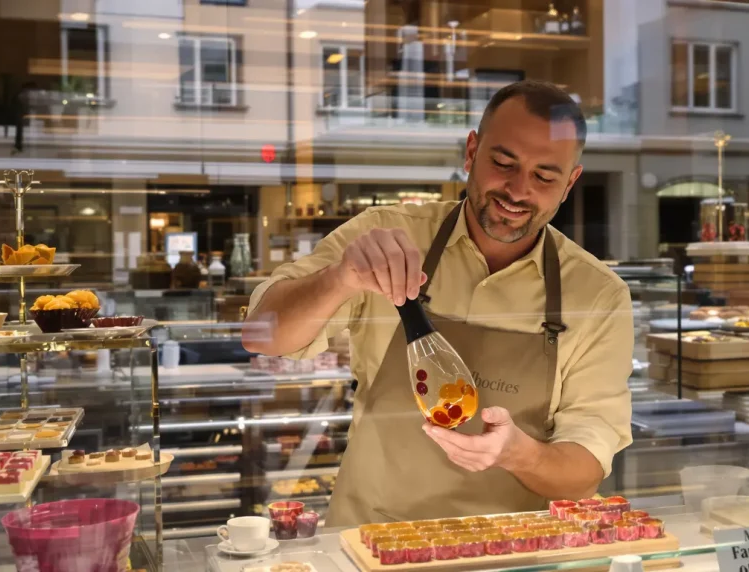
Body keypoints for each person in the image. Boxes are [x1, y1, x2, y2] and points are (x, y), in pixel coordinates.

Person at [243, 80, 633, 526]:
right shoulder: (388, 233)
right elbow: (261, 337)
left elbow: (584, 472)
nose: (517, 190)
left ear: (569, 184)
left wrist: (517, 454)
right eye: (503, 163)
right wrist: (339, 278)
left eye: (544, 177)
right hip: (370, 538)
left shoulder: (597, 296)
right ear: (471, 152)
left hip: (510, 547)